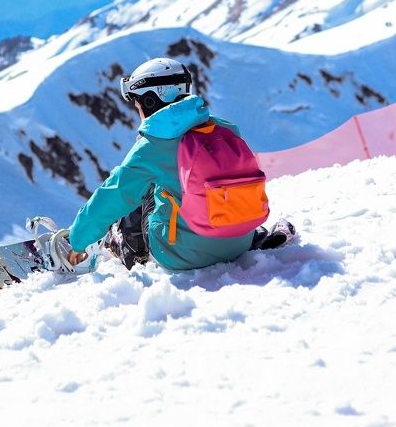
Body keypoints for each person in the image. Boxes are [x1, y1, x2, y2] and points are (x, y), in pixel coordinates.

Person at [66, 57, 295, 271]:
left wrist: (76, 241)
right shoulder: (225, 129)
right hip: (240, 241)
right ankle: (246, 236)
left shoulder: (153, 147)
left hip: (181, 255)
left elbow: (112, 196)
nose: (139, 112)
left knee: (140, 189)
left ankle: (127, 247)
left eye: (138, 105)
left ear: (149, 101)